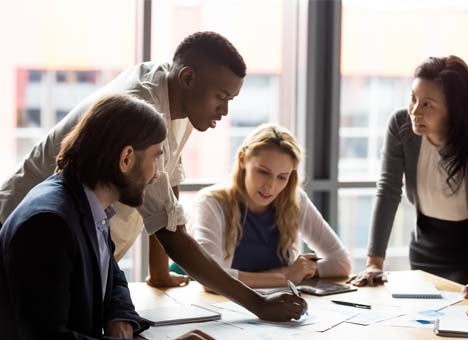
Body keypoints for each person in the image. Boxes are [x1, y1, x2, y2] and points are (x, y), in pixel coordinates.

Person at [0, 31, 246, 288]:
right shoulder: (143, 110)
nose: (224, 110)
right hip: (35, 225)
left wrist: (159, 273)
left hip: (83, 236)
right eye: (221, 97)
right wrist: (259, 305)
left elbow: (168, 188)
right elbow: (173, 237)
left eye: (230, 100)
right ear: (188, 77)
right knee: (51, 325)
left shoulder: (182, 94)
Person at [0, 94, 212, 339]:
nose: (156, 174)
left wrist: (119, 317)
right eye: (156, 156)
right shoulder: (49, 224)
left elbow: (113, 276)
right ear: (126, 159)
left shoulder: (86, 204)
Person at [348, 56, 468, 298]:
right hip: (425, 248)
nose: (415, 111)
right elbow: (388, 190)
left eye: (428, 104)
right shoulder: (400, 126)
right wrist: (374, 262)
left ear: (453, 109)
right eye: (413, 98)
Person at [189, 124, 352, 288]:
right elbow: (211, 277)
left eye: (282, 177)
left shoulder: (294, 200)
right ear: (242, 159)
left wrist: (304, 270)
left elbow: (341, 262)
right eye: (263, 172)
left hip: (279, 307)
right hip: (224, 306)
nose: (270, 187)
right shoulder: (211, 204)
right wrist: (285, 276)